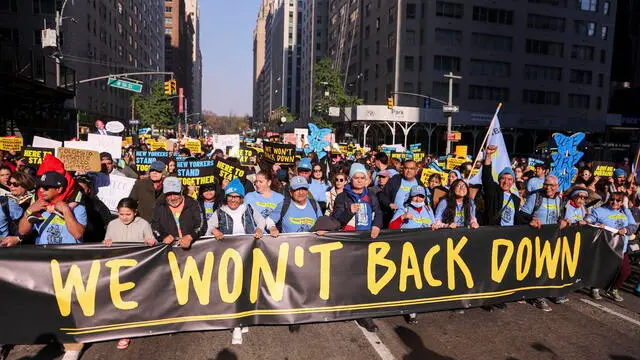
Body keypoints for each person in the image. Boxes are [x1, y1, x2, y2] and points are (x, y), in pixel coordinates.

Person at [206, 178, 265, 345]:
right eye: (230, 196)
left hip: (247, 256)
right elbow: (209, 227)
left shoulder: (249, 208)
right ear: (226, 198)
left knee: (245, 288)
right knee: (233, 289)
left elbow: (261, 221)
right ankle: (236, 325)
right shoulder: (220, 212)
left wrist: (260, 229)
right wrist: (214, 230)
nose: (233, 200)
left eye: (236, 197)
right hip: (228, 258)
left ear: (241, 198)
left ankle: (243, 319)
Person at [330, 163, 382, 332]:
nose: (359, 181)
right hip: (347, 242)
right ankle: (345, 308)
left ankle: (364, 314)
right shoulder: (342, 197)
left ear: (366, 180)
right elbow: (336, 220)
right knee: (346, 276)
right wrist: (348, 212)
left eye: (362, 178)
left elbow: (378, 213)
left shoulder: (371, 196)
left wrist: (377, 225)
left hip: (366, 242)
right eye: (356, 178)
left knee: (364, 277)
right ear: (350, 179)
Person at [102, 197, 156, 350]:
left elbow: (152, 243)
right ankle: (124, 332)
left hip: (138, 268)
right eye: (121, 214)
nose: (124, 217)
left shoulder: (144, 224)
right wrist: (106, 243)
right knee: (122, 301)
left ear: (135, 212)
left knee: (138, 299)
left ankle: (142, 324)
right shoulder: (112, 224)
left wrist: (151, 242)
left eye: (128, 214)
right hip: (118, 269)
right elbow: (106, 242)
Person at [520, 174, 564, 311]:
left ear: (557, 187)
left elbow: (560, 216)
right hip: (536, 238)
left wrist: (565, 221)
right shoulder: (536, 197)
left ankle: (550, 292)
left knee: (550, 267)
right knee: (538, 268)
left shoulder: (559, 199)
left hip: (552, 238)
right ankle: (537, 297)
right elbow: (521, 214)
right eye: (546, 184)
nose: (548, 188)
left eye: (551, 185)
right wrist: (531, 220)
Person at [586, 192, 637, 302]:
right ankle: (595, 288)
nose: (615, 202)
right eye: (612, 199)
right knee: (603, 268)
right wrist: (596, 225)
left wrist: (626, 230)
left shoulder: (625, 212)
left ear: (622, 202)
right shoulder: (599, 211)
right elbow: (588, 221)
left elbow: (633, 227)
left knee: (625, 271)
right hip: (606, 246)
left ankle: (613, 289)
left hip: (621, 248)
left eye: (618, 201)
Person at [151, 177, 205, 249]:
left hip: (193, 248)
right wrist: (163, 237)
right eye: (169, 194)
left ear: (181, 191)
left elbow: (202, 224)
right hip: (170, 249)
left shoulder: (193, 203)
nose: (173, 198)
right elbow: (154, 226)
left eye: (176, 193)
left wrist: (190, 236)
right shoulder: (160, 205)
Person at [482, 145, 521, 227]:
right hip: (494, 234)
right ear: (499, 180)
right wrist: (488, 155)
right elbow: (487, 177)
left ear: (513, 182)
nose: (506, 182)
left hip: (510, 236)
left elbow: (518, 219)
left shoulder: (516, 199)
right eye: (503, 178)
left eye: (510, 179)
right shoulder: (494, 192)